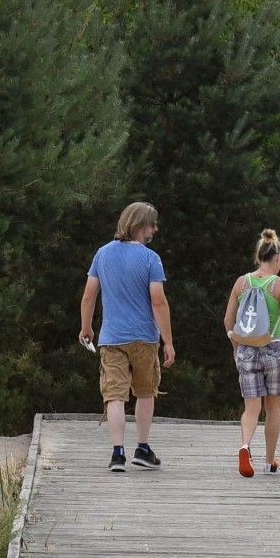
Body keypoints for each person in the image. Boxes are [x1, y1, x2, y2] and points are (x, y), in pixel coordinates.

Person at [79, 202, 175, 472]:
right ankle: (142, 448)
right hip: (144, 338)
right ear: (139, 225)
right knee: (146, 392)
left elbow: (89, 295)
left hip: (111, 339)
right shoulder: (150, 258)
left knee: (115, 396)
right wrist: (168, 342)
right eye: (152, 224)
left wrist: (86, 327)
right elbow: (159, 303)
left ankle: (117, 453)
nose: (155, 230)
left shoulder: (102, 254)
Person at [224, 229, 280, 477]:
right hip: (274, 348)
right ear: (277, 257)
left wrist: (236, 347)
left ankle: (245, 446)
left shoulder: (242, 282)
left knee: (251, 408)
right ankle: (269, 462)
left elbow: (228, 320)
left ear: (259, 256)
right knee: (273, 408)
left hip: (247, 348)